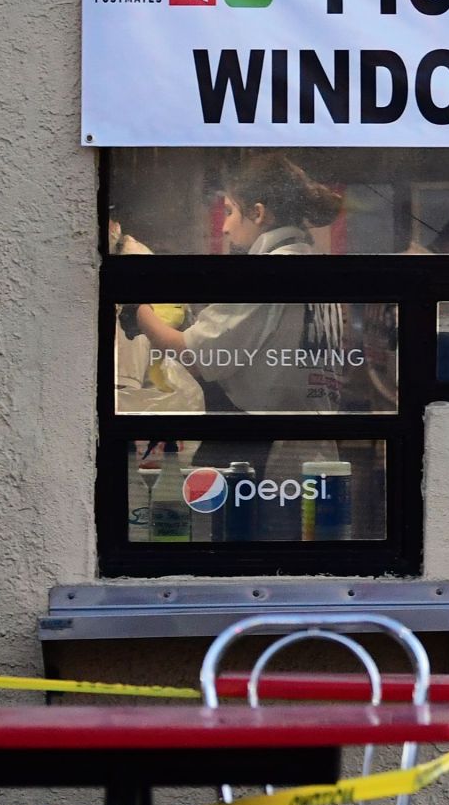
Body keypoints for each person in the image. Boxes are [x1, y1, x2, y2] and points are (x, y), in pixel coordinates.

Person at [132, 155, 349, 538]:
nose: (226, 226)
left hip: (264, 459)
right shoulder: (320, 269)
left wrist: (138, 309)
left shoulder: (266, 271)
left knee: (252, 566)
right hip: (320, 459)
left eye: (231, 211)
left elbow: (193, 354)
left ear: (259, 213)